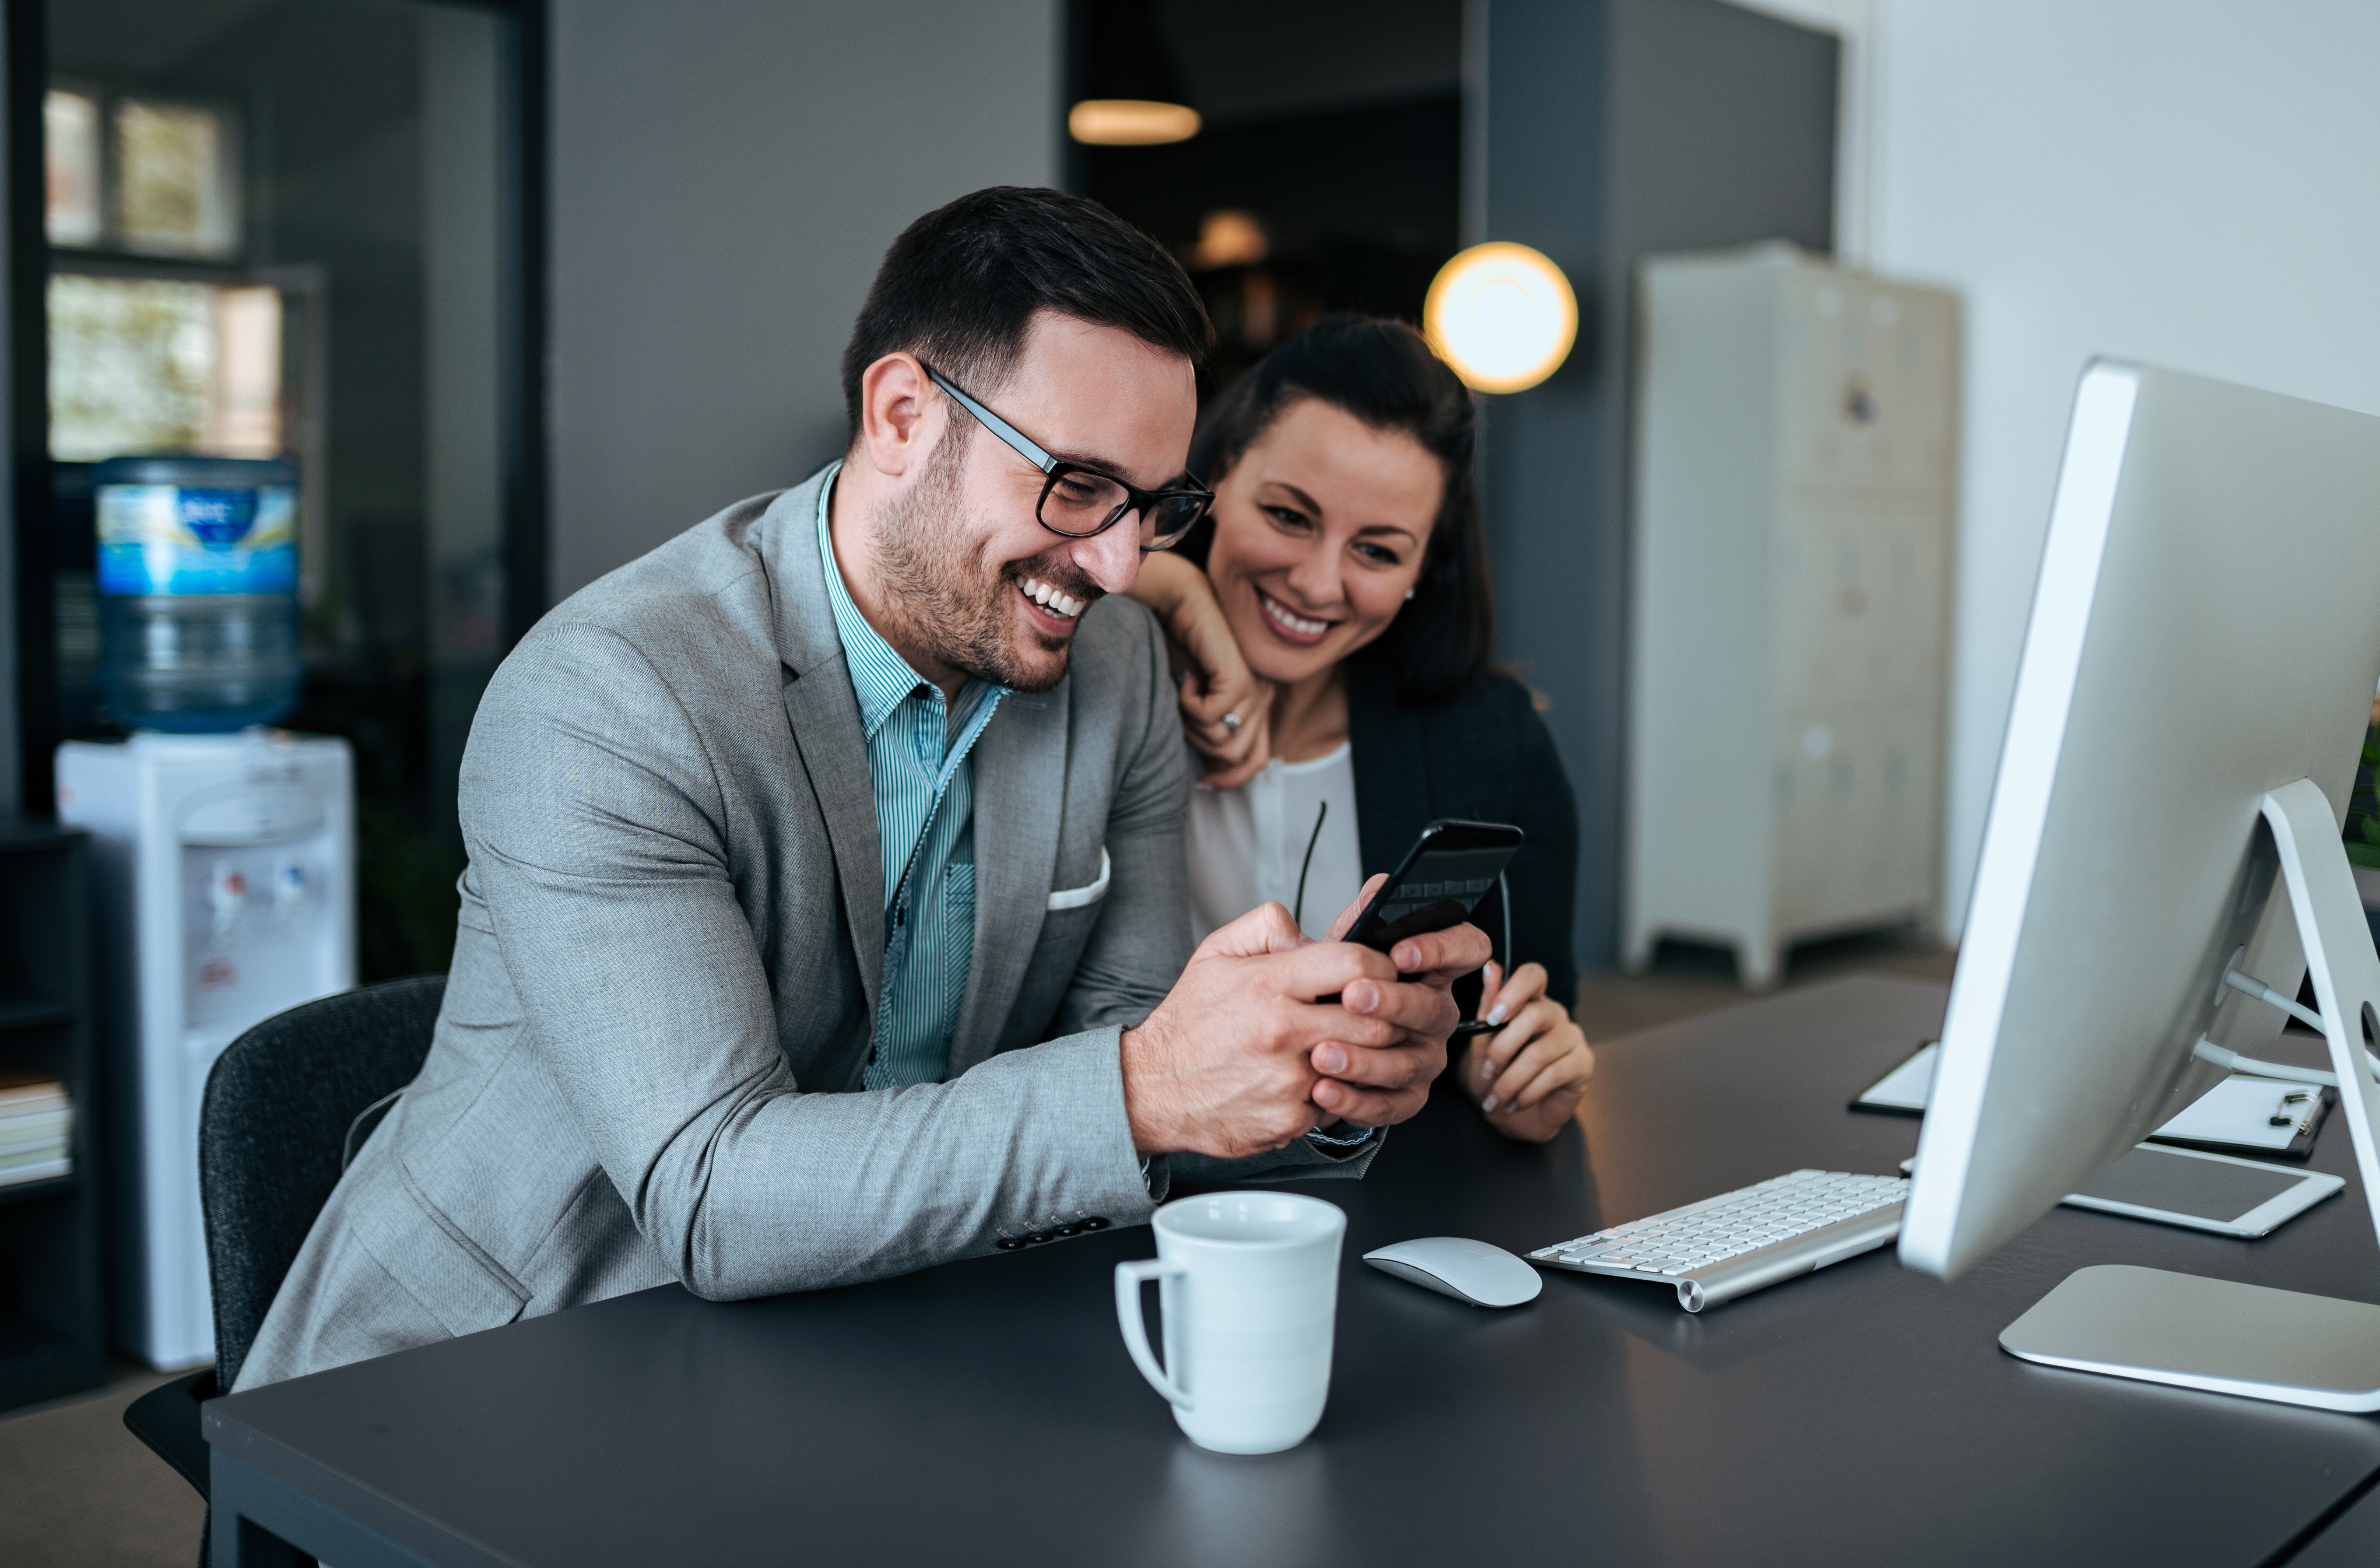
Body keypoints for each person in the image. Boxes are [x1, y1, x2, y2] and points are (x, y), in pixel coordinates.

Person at [238, 190, 1487, 1388]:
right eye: (1077, 486)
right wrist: (1145, 1086)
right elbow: (715, 1192)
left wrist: (1317, 1069)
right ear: (900, 414)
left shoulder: (1111, 672)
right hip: (497, 1367)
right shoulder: (610, 695)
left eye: (1152, 508)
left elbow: (1136, 1057)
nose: (1119, 564)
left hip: (867, 1338)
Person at [1133, 316, 1594, 1142]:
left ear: (1425, 569)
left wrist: (1508, 1073)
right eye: (1289, 516)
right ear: (1220, 472)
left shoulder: (1492, 745)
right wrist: (1166, 584)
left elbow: (1520, 1021)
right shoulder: (1095, 688)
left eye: (1378, 553)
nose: (1317, 584)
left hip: (1382, 1200)